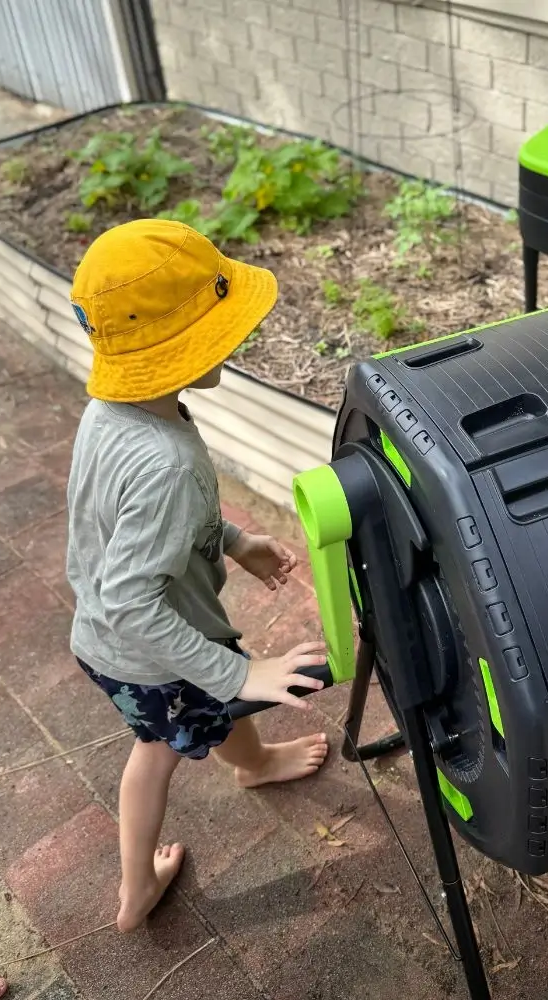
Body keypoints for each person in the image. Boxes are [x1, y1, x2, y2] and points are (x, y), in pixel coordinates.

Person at [67, 219, 329, 933]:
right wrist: (236, 674)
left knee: (194, 717)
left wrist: (236, 541)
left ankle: (253, 764)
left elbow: (136, 530)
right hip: (152, 649)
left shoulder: (112, 412)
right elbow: (132, 599)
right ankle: (135, 890)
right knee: (159, 748)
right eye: (222, 327)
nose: (236, 340)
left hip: (108, 640)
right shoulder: (170, 463)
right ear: (174, 350)